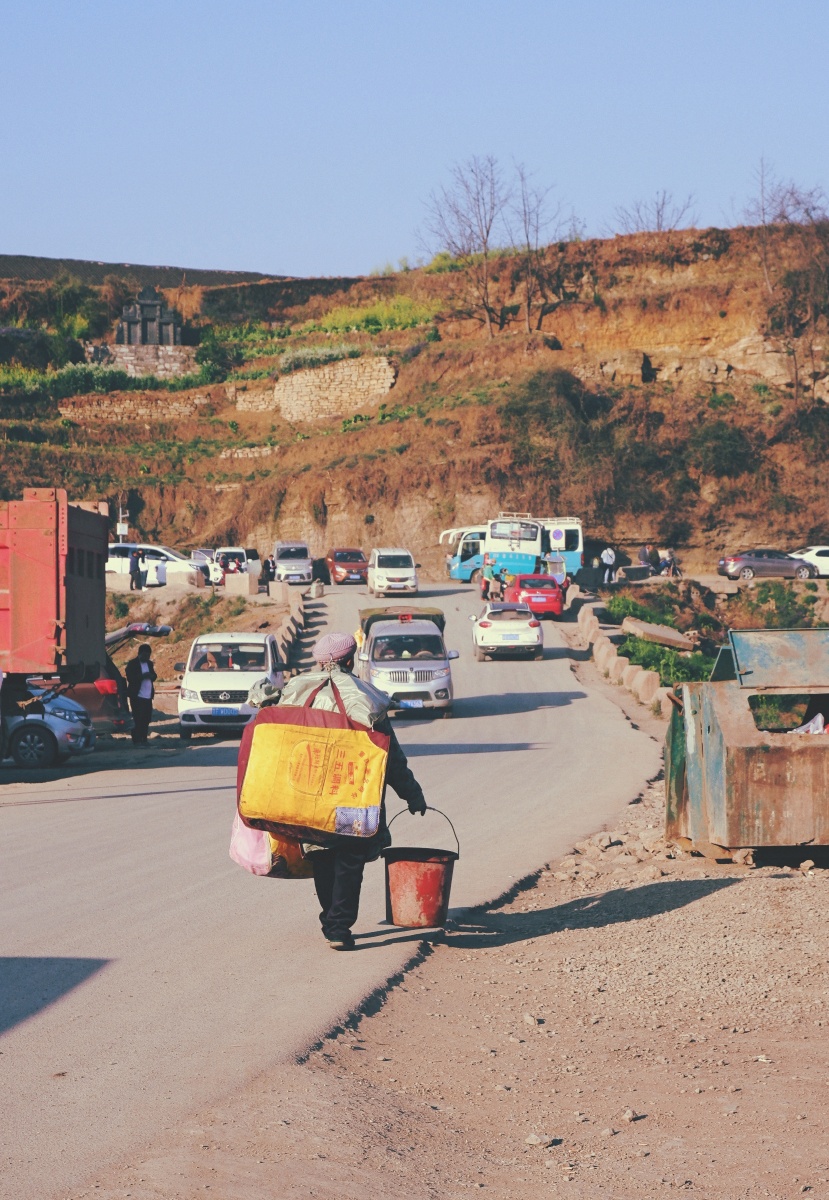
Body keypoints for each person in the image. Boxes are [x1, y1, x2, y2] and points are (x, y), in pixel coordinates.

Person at [277, 631, 426, 951]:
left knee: (320, 855)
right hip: (350, 796)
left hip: (307, 794)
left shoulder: (294, 692)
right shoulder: (366, 696)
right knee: (347, 858)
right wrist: (412, 794)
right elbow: (390, 758)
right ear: (348, 660)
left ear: (318, 661)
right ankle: (338, 925)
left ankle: (332, 921)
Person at [125, 643, 156, 746]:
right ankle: (137, 740)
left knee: (146, 719)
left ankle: (144, 739)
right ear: (139, 654)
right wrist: (142, 676)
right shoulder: (132, 664)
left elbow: (154, 675)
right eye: (144, 655)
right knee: (138, 719)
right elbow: (130, 678)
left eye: (148, 655)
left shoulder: (149, 664)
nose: (146, 657)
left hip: (148, 696)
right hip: (137, 696)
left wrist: (151, 676)